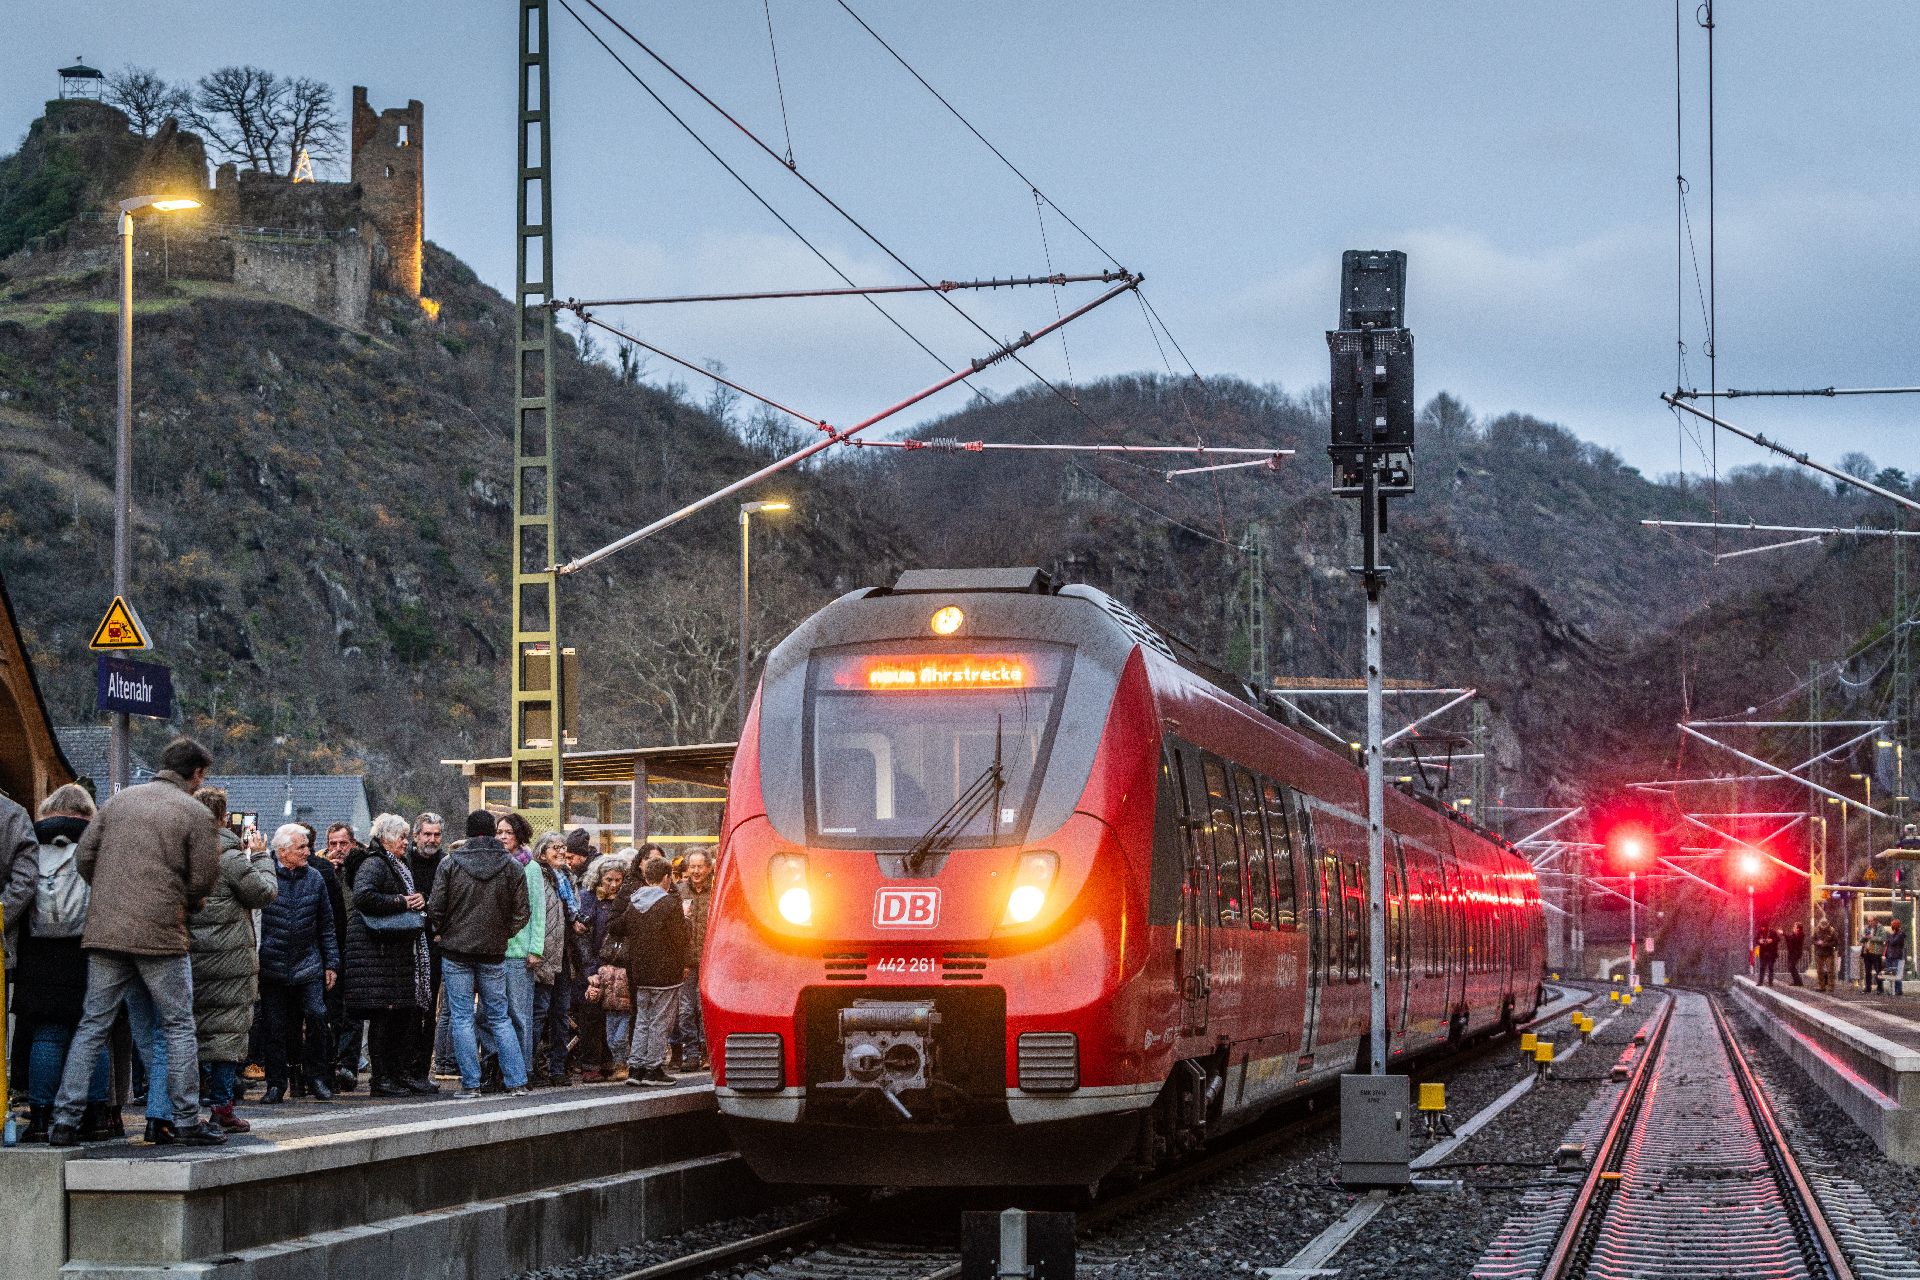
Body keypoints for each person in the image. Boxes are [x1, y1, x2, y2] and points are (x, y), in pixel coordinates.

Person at [47, 737, 226, 1147]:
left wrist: (112, 895)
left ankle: (64, 1121)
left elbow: (83, 859)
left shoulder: (117, 803)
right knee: (179, 1023)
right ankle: (184, 1120)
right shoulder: (194, 813)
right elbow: (203, 877)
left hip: (107, 932)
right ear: (196, 774)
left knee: (93, 1024)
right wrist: (185, 901)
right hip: (162, 935)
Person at [12, 784, 114, 1143]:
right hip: (89, 946)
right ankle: (96, 1116)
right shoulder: (98, 839)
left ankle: (41, 1117)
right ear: (87, 812)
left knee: (47, 1033)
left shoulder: (28, 837)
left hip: (39, 950)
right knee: (93, 1033)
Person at [188, 788, 278, 1134]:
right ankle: (222, 1107)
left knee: (191, 1032)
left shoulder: (183, 853)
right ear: (224, 817)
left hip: (191, 956)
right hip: (230, 961)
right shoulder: (229, 854)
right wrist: (261, 856)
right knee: (226, 1034)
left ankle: (181, 1106)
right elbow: (263, 893)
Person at [428, 810, 532, 1099]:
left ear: (468, 832)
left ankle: (471, 1084)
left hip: (456, 950)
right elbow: (522, 912)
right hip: (494, 952)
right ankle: (516, 1081)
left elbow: (436, 906)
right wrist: (502, 934)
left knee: (462, 1017)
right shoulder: (512, 866)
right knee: (500, 1017)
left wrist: (444, 931)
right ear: (492, 831)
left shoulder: (450, 863)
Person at [346, 814, 436, 1097]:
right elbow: (363, 896)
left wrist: (415, 901)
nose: (406, 843)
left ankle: (393, 1076)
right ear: (385, 838)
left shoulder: (394, 863)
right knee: (384, 1019)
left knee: (397, 1017)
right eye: (402, 837)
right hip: (378, 954)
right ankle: (381, 1079)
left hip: (391, 954)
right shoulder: (375, 863)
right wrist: (402, 901)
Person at [257, 823, 340, 1104]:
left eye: (306, 846)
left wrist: (331, 964)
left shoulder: (315, 878)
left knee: (317, 1016)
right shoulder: (265, 876)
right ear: (283, 851)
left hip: (308, 963)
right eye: (301, 847)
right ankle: (276, 1083)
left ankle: (316, 1077)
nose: (308, 851)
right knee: (275, 1026)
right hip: (272, 964)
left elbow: (326, 925)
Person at [613, 853, 689, 1087]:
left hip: (639, 971)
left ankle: (635, 1067)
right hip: (665, 972)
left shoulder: (634, 903)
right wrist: (685, 920)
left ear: (646, 877)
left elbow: (618, 927)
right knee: (659, 1021)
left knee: (643, 1019)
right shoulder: (670, 904)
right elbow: (680, 940)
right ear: (666, 877)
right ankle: (653, 1068)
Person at [406, 812, 453, 1083]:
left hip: (434, 945)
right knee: (408, 1010)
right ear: (416, 836)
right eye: (427, 834)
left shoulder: (447, 864)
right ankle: (403, 1067)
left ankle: (421, 1069)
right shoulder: (404, 863)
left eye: (436, 835)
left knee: (428, 1010)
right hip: (406, 943)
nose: (432, 839)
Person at [498, 813, 545, 1072]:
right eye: (499, 832)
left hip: (520, 950)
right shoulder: (496, 863)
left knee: (519, 1013)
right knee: (492, 1014)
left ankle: (522, 1068)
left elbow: (538, 910)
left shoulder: (531, 867)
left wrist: (535, 948)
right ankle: (501, 1065)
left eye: (508, 832)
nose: (503, 837)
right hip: (495, 950)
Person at [577, 854, 629, 1081]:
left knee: (614, 1015)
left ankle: (611, 1062)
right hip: (594, 966)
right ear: (599, 879)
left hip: (616, 968)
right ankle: (590, 1064)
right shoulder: (589, 899)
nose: (614, 885)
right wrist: (591, 971)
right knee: (591, 1016)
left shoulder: (625, 901)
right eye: (609, 880)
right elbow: (583, 938)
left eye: (618, 880)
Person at [325, 822, 367, 1092]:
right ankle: (331, 1063)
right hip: (331, 946)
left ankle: (348, 1065)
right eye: (333, 844)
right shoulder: (321, 869)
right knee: (330, 1009)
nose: (338, 850)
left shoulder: (362, 867)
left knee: (352, 1009)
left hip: (356, 945)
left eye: (343, 844)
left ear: (352, 843)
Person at [529, 833, 574, 1086]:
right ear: (542, 852)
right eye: (554, 847)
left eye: (562, 847)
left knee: (561, 1015)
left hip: (564, 956)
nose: (560, 851)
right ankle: (531, 1067)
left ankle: (558, 1068)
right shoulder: (538, 877)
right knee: (539, 1013)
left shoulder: (568, 877)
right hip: (544, 955)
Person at [675, 850, 714, 1071]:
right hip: (686, 961)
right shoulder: (678, 891)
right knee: (686, 1009)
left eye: (701, 867)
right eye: (693, 867)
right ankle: (691, 1053)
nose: (696, 871)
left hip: (710, 961)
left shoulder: (716, 892)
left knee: (704, 1009)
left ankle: (708, 1051)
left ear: (708, 868)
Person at [1813, 917, 1840, 992]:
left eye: (1825, 924)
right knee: (1819, 971)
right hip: (1819, 953)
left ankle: (1831, 986)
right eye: (1822, 924)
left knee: (1830, 971)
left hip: (1829, 953)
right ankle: (1821, 986)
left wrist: (1826, 944)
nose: (1823, 926)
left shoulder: (1832, 931)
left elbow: (1835, 942)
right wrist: (1817, 943)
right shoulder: (1816, 930)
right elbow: (1813, 940)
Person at [1862, 917, 1888, 994]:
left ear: (1875, 921)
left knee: (1878, 970)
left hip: (1876, 952)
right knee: (1867, 971)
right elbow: (1862, 938)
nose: (1870, 922)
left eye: (1871, 921)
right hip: (1867, 952)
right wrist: (1864, 937)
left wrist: (1872, 938)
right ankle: (1868, 988)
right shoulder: (1867, 928)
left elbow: (1883, 938)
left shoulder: (1880, 928)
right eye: (1868, 921)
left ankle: (1880, 988)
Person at [1886, 918, 1909, 998]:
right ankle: (1893, 990)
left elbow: (1892, 942)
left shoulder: (1900, 935)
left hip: (1897, 956)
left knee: (1897, 974)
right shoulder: (1894, 934)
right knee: (1891, 974)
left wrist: (1891, 935)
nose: (1891, 926)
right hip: (1891, 956)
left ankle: (1898, 990)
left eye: (1892, 925)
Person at [1784, 922, 1807, 987]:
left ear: (1798, 929)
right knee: (1791, 967)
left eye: (1795, 927)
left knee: (1791, 967)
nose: (1793, 928)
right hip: (1792, 953)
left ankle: (1799, 982)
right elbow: (1790, 939)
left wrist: (1783, 934)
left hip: (1796, 953)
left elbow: (1792, 939)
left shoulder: (1800, 935)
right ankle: (1797, 982)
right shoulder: (1795, 934)